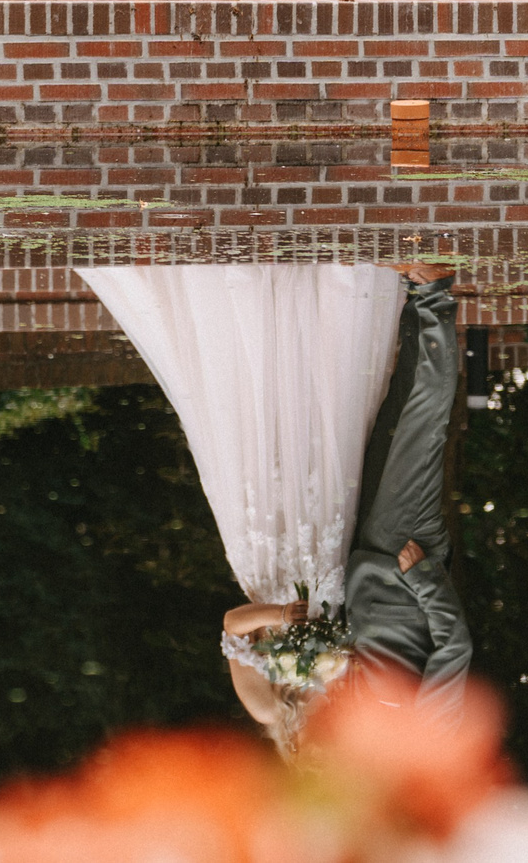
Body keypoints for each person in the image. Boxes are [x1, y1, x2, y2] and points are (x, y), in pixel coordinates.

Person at [75, 263, 405, 749]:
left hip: (266, 565)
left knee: (251, 452)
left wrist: (280, 618)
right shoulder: (348, 715)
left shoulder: (268, 708)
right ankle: (325, 299)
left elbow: (232, 628)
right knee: (324, 447)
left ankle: (239, 308)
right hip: (327, 565)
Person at [344, 263, 473, 705]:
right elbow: (455, 647)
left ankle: (416, 299)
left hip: (368, 558)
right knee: (422, 423)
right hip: (406, 554)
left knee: (396, 415)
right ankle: (435, 290)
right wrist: (421, 577)